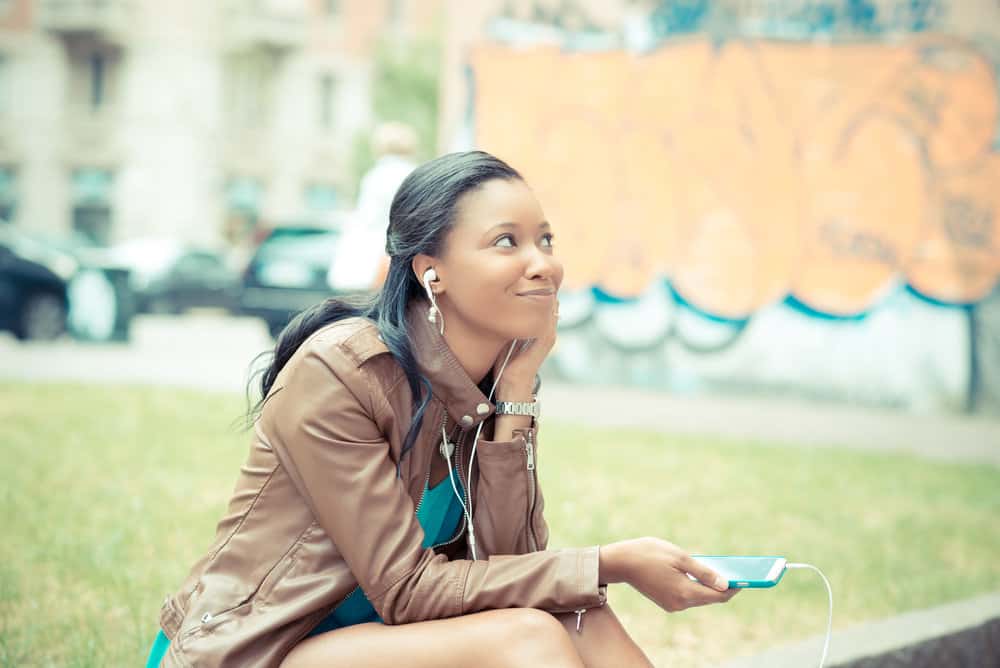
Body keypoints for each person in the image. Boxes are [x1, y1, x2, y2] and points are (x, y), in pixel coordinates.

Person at [146, 151, 737, 668]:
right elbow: (406, 590)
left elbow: (510, 569)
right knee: (527, 636)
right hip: (261, 650)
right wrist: (612, 563)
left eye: (546, 240)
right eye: (507, 241)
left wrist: (517, 393)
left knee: (577, 615)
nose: (544, 264)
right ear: (432, 271)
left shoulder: (487, 381)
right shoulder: (341, 373)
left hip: (381, 644)